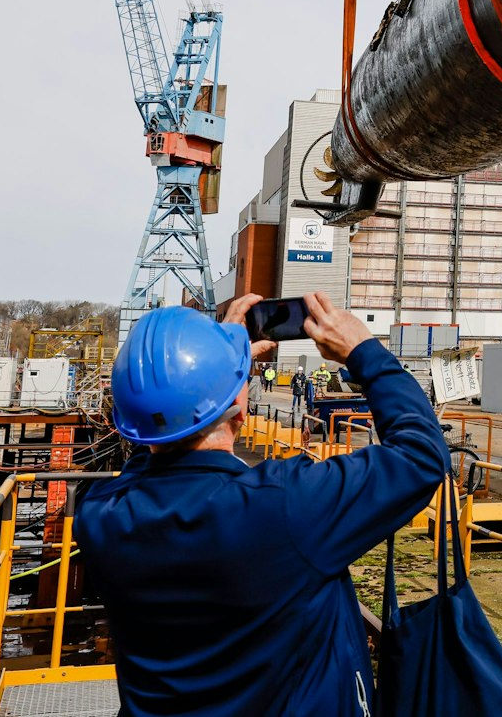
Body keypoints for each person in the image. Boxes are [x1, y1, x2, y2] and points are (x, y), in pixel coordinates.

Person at [77, 292, 448, 716]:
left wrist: (223, 368)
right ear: (239, 404)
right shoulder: (283, 506)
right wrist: (366, 353)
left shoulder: (99, 514)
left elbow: (153, 445)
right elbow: (421, 458)